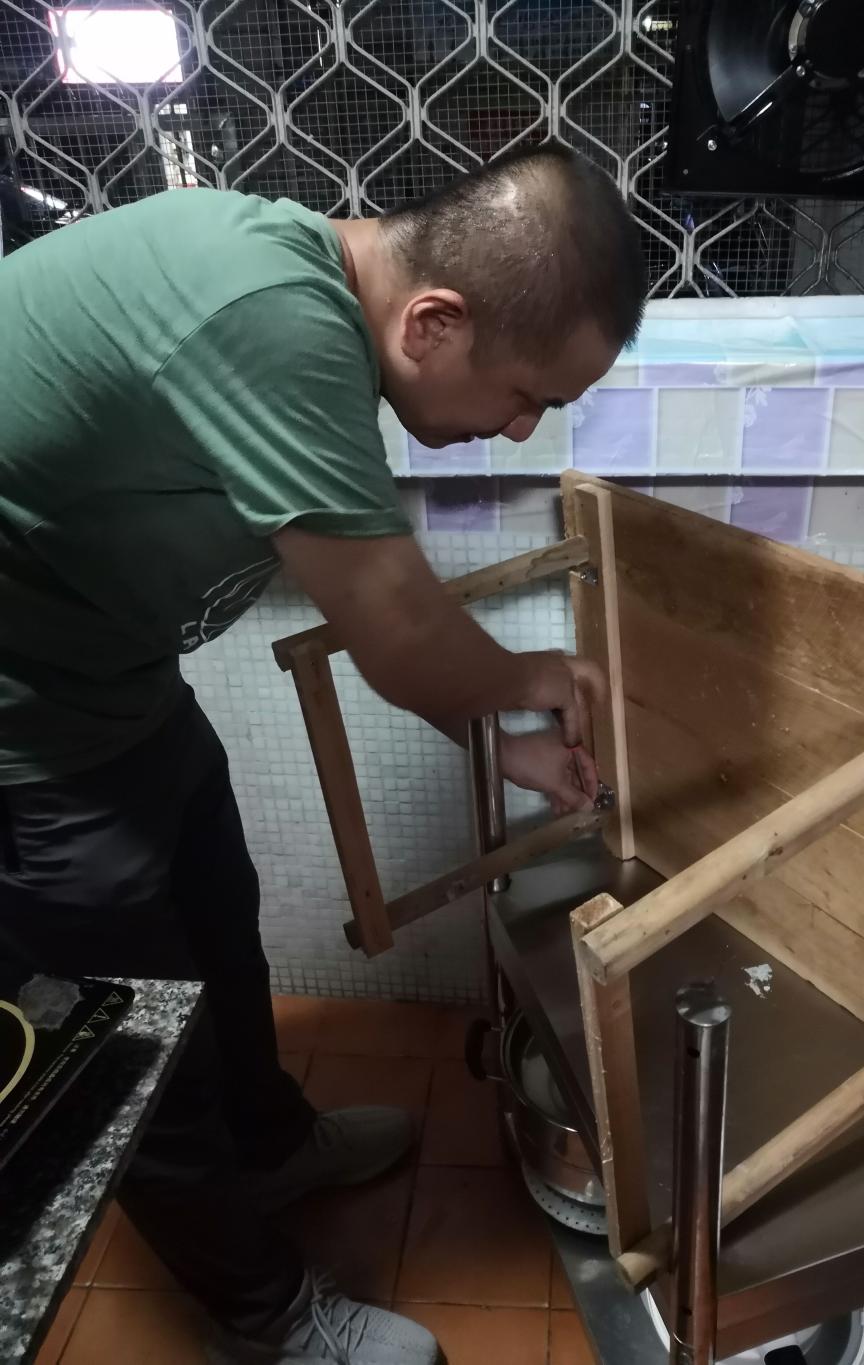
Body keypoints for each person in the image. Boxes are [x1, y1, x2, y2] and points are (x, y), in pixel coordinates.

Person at [0, 146, 646, 1363]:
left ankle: (272, 1145)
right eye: (526, 395)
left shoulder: (298, 300)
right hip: (23, 729)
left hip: (105, 676)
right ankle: (267, 1320)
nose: (518, 428)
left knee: (216, 919)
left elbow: (384, 614)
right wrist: (537, 679)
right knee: (129, 1039)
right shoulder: (272, 318)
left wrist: (506, 750)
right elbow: (403, 636)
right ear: (434, 322)